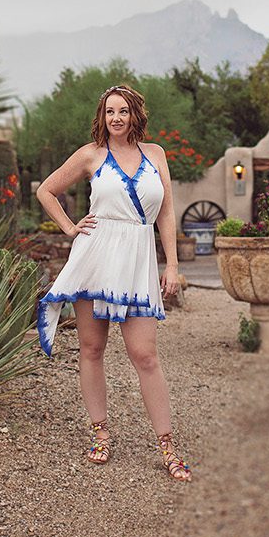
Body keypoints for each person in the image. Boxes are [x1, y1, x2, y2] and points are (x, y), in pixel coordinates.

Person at [33, 83, 192, 481]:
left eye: (122, 111)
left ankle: (168, 446)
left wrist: (171, 265)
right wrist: (70, 228)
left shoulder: (155, 154)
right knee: (91, 347)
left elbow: (167, 213)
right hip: (97, 255)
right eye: (109, 112)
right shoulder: (91, 155)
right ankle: (100, 434)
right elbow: (46, 190)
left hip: (138, 258)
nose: (116, 118)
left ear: (135, 114)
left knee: (145, 354)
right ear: (102, 117)